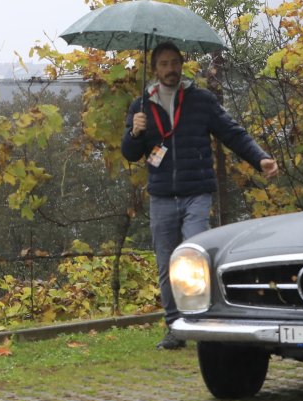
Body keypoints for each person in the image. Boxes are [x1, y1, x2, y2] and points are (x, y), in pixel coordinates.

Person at [120, 41, 279, 349]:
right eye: (164, 64)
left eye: (174, 63)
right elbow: (130, 153)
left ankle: (203, 321)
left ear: (182, 65)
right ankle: (174, 327)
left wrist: (260, 158)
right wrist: (135, 132)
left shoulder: (201, 100)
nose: (170, 69)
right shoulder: (141, 106)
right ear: (155, 69)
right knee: (166, 262)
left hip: (197, 192)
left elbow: (232, 132)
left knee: (195, 256)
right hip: (162, 196)